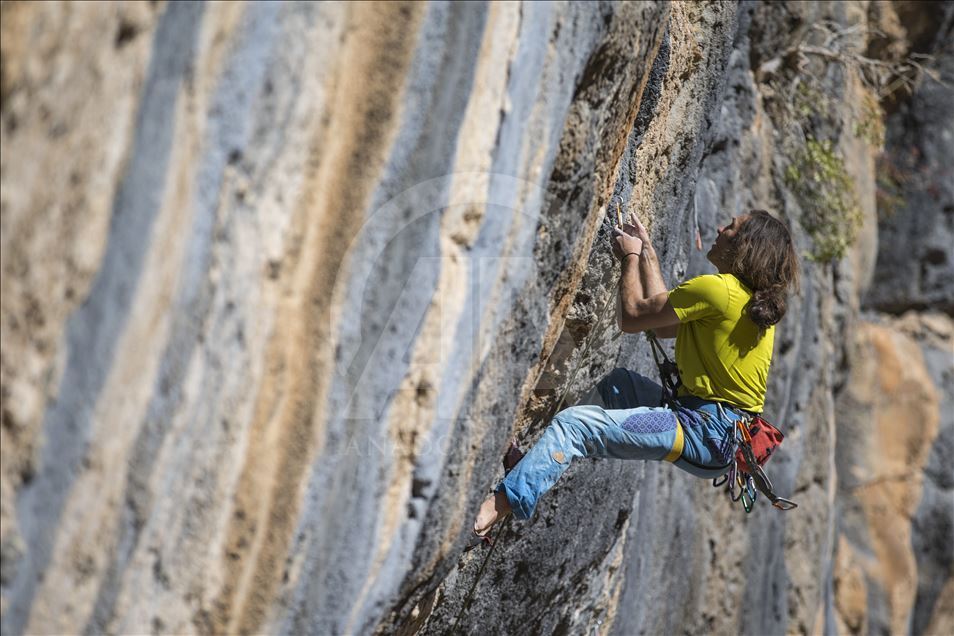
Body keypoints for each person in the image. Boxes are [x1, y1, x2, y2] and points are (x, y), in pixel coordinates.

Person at [474, 209, 800, 536]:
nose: (719, 228)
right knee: (620, 386)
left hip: (703, 431)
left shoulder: (719, 290)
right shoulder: (750, 304)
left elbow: (631, 317)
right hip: (716, 430)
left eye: (731, 227)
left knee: (575, 426)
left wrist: (630, 257)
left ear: (745, 247)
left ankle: (493, 510)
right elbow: (663, 327)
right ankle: (534, 465)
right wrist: (647, 254)